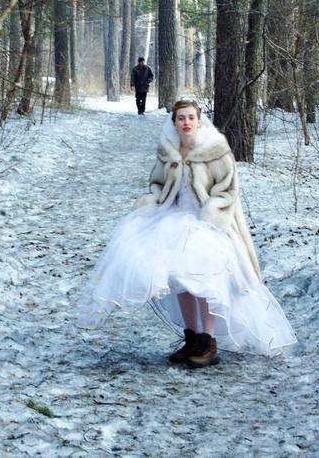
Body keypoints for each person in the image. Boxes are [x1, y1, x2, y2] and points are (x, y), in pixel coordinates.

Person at [78, 100, 296, 367]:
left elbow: (228, 190)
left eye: (191, 117)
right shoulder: (168, 150)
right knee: (179, 278)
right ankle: (191, 338)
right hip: (173, 218)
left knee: (203, 280)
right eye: (181, 118)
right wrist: (153, 200)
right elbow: (157, 182)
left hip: (207, 223)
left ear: (199, 119)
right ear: (174, 122)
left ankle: (208, 341)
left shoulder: (215, 150)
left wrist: (212, 214)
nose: (186, 123)